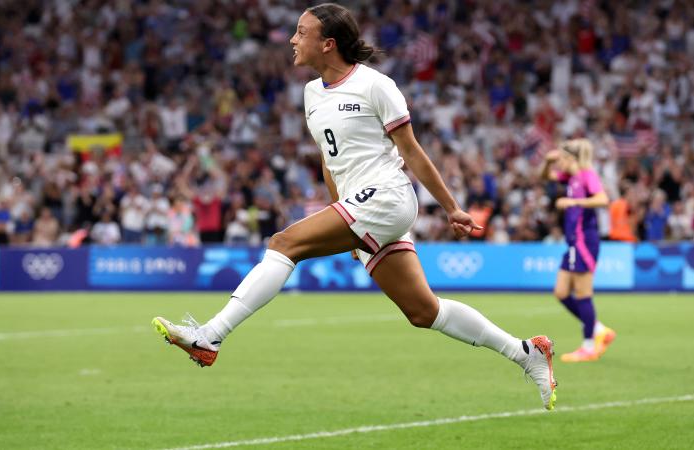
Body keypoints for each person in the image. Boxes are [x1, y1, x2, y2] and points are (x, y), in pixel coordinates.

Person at [152, 3, 557, 410]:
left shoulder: (376, 85)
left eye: (301, 31)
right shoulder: (312, 93)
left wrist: (451, 207)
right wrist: (341, 214)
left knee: (283, 243)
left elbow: (411, 152)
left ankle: (211, 335)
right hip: (360, 206)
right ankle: (525, 352)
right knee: (423, 310)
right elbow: (331, 164)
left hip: (388, 195)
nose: (293, 39)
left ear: (328, 44)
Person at [540, 139, 616, 362]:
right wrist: (547, 161)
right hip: (573, 243)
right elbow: (546, 176)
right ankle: (600, 329)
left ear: (571, 159)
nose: (558, 164)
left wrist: (574, 203)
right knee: (561, 292)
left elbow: (602, 199)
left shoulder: (586, 174)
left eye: (561, 159)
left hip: (584, 241)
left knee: (583, 293)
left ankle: (589, 346)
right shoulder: (571, 177)